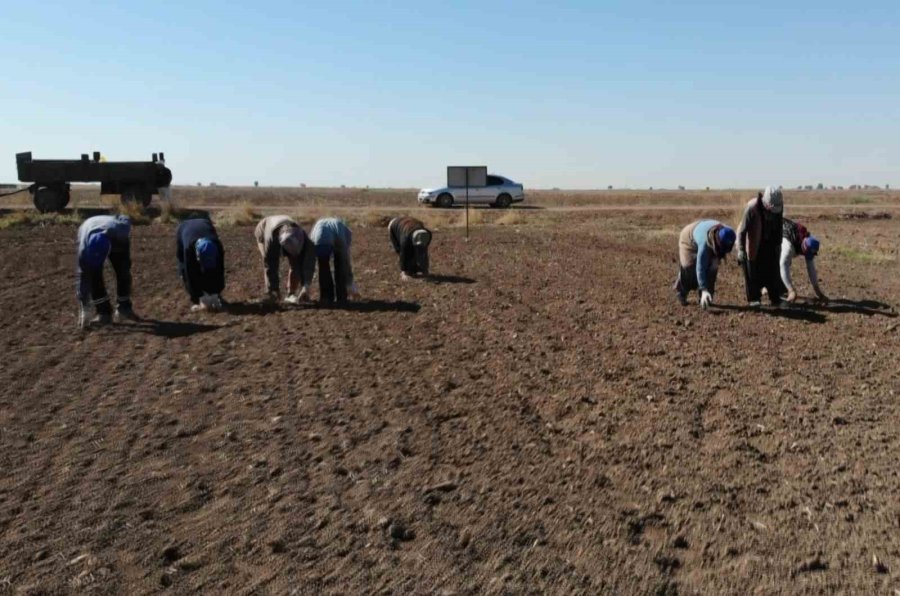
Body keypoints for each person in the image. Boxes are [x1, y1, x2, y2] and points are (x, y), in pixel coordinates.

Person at [76, 215, 136, 328]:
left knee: (123, 270)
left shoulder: (120, 232)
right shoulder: (84, 250)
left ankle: (124, 307)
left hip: (115, 238)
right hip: (89, 228)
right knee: (93, 275)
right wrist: (84, 306)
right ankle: (104, 312)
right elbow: (82, 276)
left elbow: (125, 218)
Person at [737, 186, 785, 307]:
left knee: (772, 270)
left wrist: (779, 245)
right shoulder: (752, 208)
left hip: (769, 242)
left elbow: (779, 227)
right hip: (752, 241)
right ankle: (754, 299)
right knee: (751, 271)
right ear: (766, 202)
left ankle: (775, 297)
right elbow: (742, 231)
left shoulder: (778, 206)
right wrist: (741, 250)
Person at [674, 220, 736, 309]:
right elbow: (700, 267)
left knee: (713, 266)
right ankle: (682, 291)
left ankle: (706, 298)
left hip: (702, 230)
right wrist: (703, 289)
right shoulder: (704, 244)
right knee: (690, 267)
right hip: (688, 239)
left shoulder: (729, 233)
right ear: (717, 240)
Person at [254, 215, 316, 303]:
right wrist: (274, 289)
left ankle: (291, 294)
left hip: (284, 227)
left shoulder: (304, 238)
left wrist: (306, 287)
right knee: (268, 260)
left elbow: (309, 262)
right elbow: (270, 263)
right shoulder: (271, 238)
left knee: (295, 263)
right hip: (263, 231)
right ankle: (272, 292)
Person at [176, 218, 225, 311]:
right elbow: (189, 274)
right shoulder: (188, 249)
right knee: (185, 271)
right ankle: (198, 299)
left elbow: (220, 270)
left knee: (211, 270)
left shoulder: (217, 245)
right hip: (184, 228)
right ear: (198, 256)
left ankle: (212, 294)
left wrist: (216, 292)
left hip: (205, 223)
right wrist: (198, 297)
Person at [310, 217, 359, 304]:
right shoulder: (345, 230)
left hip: (318, 238)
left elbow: (312, 238)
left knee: (323, 267)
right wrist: (350, 282)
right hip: (335, 238)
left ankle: (326, 297)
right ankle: (341, 297)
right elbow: (345, 259)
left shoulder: (321, 222)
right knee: (340, 266)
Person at [780, 218, 828, 303]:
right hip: (776, 233)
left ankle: (781, 287)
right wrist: (791, 290)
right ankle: (765, 287)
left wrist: (818, 292)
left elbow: (811, 269)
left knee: (786, 261)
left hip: (786, 234)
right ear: (803, 247)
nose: (807, 256)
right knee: (777, 261)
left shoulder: (809, 242)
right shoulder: (789, 247)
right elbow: (783, 264)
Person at [388, 216, 432, 280]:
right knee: (402, 251)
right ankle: (406, 271)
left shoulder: (427, 235)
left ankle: (417, 268)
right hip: (393, 226)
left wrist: (424, 270)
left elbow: (423, 252)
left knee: (419, 251)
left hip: (407, 223)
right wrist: (404, 272)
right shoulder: (405, 240)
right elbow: (403, 255)